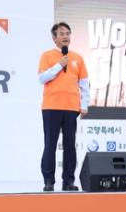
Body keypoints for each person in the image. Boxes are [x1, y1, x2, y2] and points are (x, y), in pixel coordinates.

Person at [38, 22, 89, 191]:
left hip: (71, 107)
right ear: (54, 38)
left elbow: (84, 83)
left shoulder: (78, 58)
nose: (65, 36)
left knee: (70, 146)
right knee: (50, 144)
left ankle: (69, 181)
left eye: (67, 33)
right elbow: (42, 78)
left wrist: (84, 104)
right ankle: (49, 181)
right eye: (61, 34)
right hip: (51, 107)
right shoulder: (47, 56)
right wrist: (59, 64)